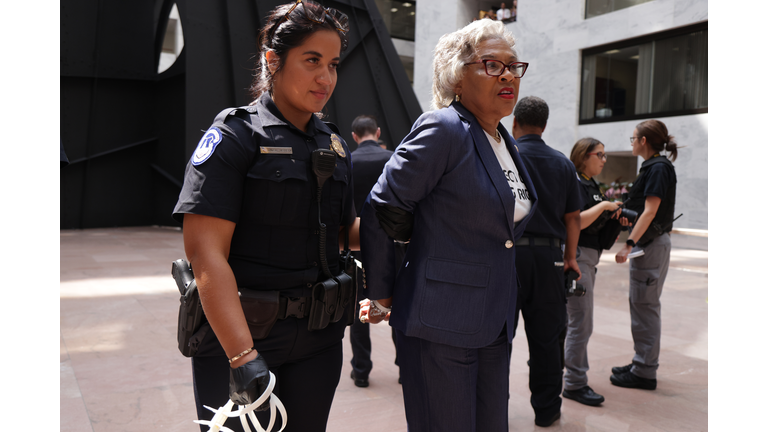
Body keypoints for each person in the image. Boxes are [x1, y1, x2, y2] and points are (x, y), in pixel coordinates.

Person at [172, 2, 355, 431]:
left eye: (332, 64)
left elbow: (343, 232)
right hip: (244, 334)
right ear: (273, 61)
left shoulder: (333, 144)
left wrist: (410, 221)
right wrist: (242, 355)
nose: (325, 78)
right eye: (312, 61)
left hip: (319, 339)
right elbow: (205, 254)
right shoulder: (235, 135)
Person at [359, 19, 537, 432]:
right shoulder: (444, 128)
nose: (508, 75)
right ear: (457, 77)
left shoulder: (505, 141)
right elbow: (383, 204)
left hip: (493, 321)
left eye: (513, 66)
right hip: (439, 321)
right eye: (492, 65)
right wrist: (381, 293)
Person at [511, 96, 582, 427]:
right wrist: (570, 258)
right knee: (547, 340)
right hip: (550, 258)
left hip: (509, 255)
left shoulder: (506, 156)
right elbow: (573, 218)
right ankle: (547, 410)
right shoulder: (563, 164)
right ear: (544, 125)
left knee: (498, 336)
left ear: (515, 123)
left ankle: (492, 407)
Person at [611, 119, 679, 390]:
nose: (631, 143)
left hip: (650, 245)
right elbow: (643, 209)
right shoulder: (653, 166)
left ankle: (644, 371)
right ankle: (641, 362)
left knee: (645, 307)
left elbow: (650, 211)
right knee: (641, 305)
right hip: (649, 244)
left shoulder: (659, 168)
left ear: (643, 141)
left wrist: (628, 243)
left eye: (633, 138)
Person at [563, 138, 631, 407]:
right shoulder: (574, 182)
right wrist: (604, 207)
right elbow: (576, 222)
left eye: (605, 155)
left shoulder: (592, 185)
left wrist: (615, 220)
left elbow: (598, 233)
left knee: (575, 321)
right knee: (581, 322)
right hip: (576, 256)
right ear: (583, 156)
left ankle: (567, 374)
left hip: (588, 257)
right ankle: (574, 383)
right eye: (599, 155)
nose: (604, 160)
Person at [347, 115, 395, 388]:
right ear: (377, 133)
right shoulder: (394, 159)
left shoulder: (348, 161)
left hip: (358, 244)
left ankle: (361, 370)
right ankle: (404, 367)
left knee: (359, 308)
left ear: (354, 136)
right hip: (392, 245)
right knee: (398, 303)